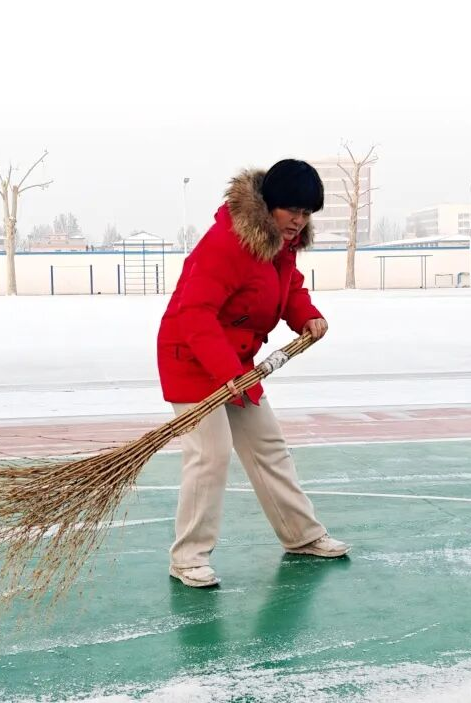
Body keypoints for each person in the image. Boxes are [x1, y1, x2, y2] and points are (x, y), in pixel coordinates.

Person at [157, 159, 349, 588]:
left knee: (268, 446)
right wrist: (227, 371)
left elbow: (287, 288)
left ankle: (301, 536)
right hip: (191, 358)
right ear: (268, 205)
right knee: (210, 454)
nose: (298, 221)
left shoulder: (281, 245)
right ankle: (188, 558)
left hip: (235, 363)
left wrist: (306, 315)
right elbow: (194, 312)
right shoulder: (226, 244)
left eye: (306, 213)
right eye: (291, 210)